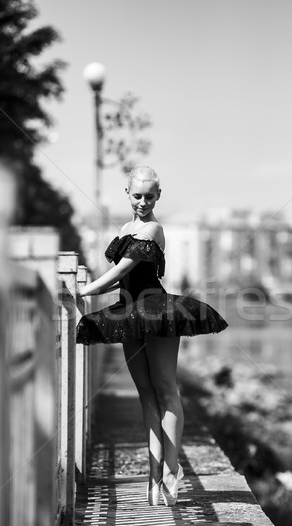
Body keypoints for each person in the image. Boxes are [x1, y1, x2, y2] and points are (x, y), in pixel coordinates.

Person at [76, 166, 228, 507]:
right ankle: (153, 475)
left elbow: (122, 269)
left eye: (149, 196)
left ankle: (173, 470)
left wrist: (84, 291)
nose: (143, 202)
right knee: (145, 395)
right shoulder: (127, 229)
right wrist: (95, 291)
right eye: (137, 195)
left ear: (158, 196)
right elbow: (119, 280)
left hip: (157, 310)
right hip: (129, 310)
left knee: (165, 389)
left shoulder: (153, 229)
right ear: (127, 194)